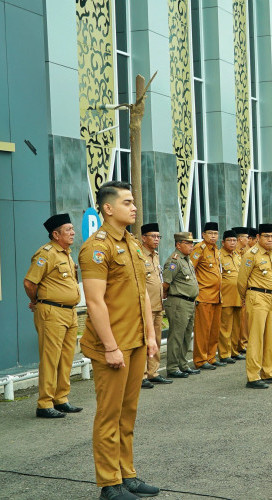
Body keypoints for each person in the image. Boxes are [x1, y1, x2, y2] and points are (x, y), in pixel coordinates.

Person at [79, 180, 160, 500]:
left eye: (134, 202)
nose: (134, 207)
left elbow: (141, 293)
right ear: (108, 208)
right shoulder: (97, 247)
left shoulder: (131, 244)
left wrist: (151, 336)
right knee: (109, 415)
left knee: (128, 413)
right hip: (113, 345)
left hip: (136, 341)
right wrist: (111, 346)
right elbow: (95, 302)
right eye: (127, 202)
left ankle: (127, 474)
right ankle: (109, 483)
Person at [24, 213, 82, 418]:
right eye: (68, 230)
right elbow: (30, 283)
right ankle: (44, 403)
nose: (73, 232)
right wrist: (37, 302)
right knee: (50, 359)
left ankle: (61, 398)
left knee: (66, 358)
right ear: (55, 234)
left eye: (72, 229)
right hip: (52, 312)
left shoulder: (67, 253)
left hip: (69, 312)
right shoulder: (46, 254)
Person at [237, 223, 272, 389]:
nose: (270, 239)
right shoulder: (251, 254)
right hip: (256, 296)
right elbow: (241, 281)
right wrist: (246, 298)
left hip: (271, 296)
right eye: (267, 236)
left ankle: (268, 371)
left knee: (270, 337)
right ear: (258, 237)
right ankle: (253, 376)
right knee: (256, 338)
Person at [162, 232, 201, 379]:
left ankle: (183, 364)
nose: (191, 246)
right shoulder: (174, 261)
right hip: (178, 301)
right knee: (176, 335)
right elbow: (166, 283)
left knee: (186, 335)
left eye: (192, 243)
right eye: (188, 243)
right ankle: (172, 367)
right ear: (178, 245)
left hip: (189, 302)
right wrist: (166, 295)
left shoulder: (187, 260)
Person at [139, 223, 172, 388]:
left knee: (156, 340)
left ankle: (153, 372)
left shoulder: (155, 255)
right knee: (145, 340)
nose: (157, 239)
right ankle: (142, 375)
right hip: (146, 306)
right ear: (143, 238)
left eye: (159, 236)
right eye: (153, 236)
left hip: (158, 305)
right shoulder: (139, 255)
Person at [191, 222, 224, 370]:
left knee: (214, 330)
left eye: (215, 234)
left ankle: (211, 356)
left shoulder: (216, 250)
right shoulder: (199, 249)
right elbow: (191, 270)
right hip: (204, 295)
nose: (213, 236)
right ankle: (200, 359)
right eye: (210, 233)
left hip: (217, 296)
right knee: (202, 330)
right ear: (203, 235)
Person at [218, 229, 244, 364]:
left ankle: (234, 351)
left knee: (236, 327)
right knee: (225, 327)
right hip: (226, 296)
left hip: (238, 296)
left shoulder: (237, 255)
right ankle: (224, 353)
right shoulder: (219, 256)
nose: (233, 243)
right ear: (223, 242)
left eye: (234, 240)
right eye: (229, 240)